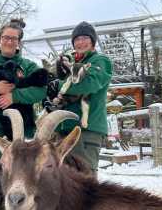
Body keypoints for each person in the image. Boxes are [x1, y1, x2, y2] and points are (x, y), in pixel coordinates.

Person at [0, 19, 47, 210]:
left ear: (19, 43)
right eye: (5, 38)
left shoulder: (29, 66)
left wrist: (14, 96)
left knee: (24, 184)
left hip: (22, 138)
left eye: (13, 39)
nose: (9, 41)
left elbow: (41, 90)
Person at [47, 21, 113, 174]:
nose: (80, 42)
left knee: (84, 177)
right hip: (64, 130)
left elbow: (89, 83)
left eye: (85, 38)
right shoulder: (70, 64)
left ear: (93, 41)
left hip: (86, 131)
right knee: (64, 180)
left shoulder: (99, 61)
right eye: (77, 39)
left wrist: (59, 85)